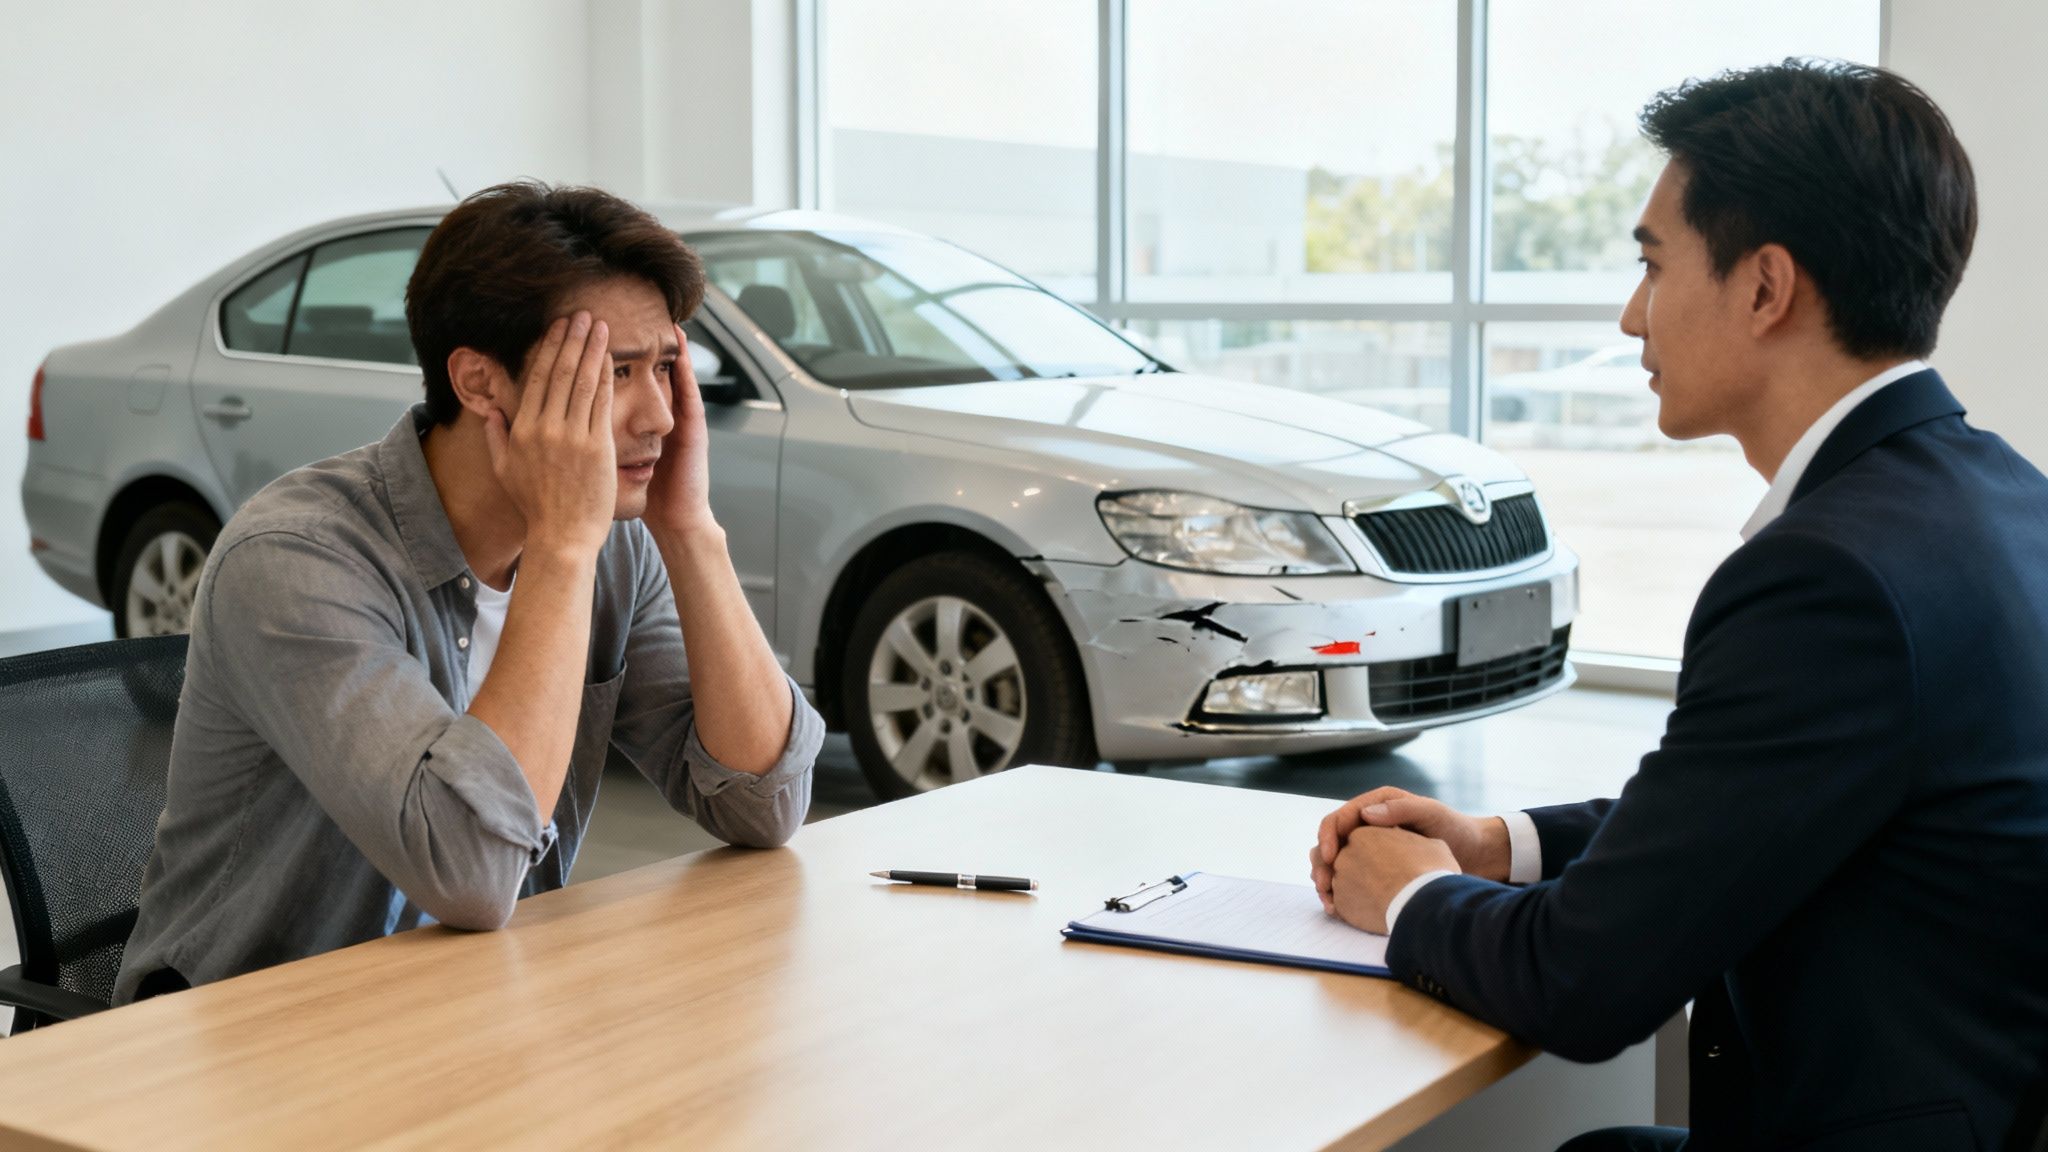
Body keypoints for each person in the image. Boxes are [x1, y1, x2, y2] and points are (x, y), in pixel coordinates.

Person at [1312, 62, 2048, 1151]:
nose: (1628, 316)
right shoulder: (1999, 499)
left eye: (1652, 267)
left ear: (1763, 288)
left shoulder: (1827, 578)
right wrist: (1494, 844)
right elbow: (1754, 811)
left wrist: (1411, 897)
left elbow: (1581, 986)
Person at [115, 183, 823, 1003]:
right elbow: (472, 872)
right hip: (249, 1043)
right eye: (615, 372)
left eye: (667, 367)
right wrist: (561, 548)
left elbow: (763, 805)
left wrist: (691, 531)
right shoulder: (295, 560)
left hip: (471, 1008)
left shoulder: (616, 546)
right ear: (481, 384)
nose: (660, 415)